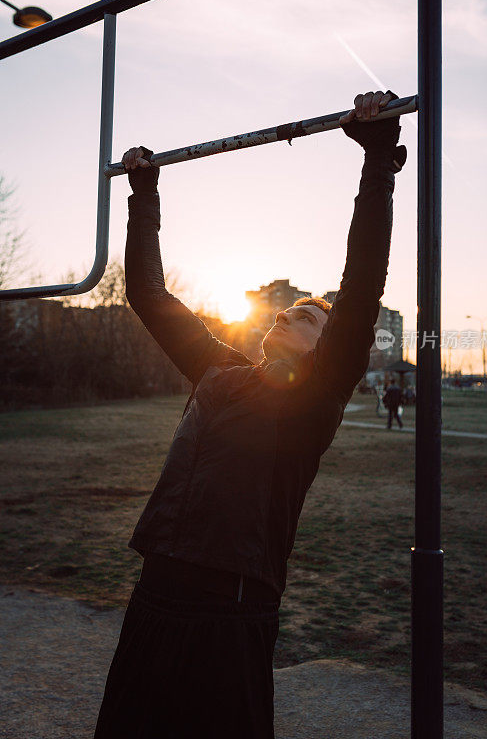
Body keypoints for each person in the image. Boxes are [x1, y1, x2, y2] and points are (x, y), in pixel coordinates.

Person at [93, 89, 407, 739]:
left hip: (230, 611)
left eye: (309, 319)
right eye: (288, 309)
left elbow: (361, 285)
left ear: (333, 349)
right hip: (156, 590)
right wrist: (143, 195)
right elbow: (149, 295)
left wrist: (376, 162)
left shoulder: (310, 405)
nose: (290, 315)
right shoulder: (217, 372)